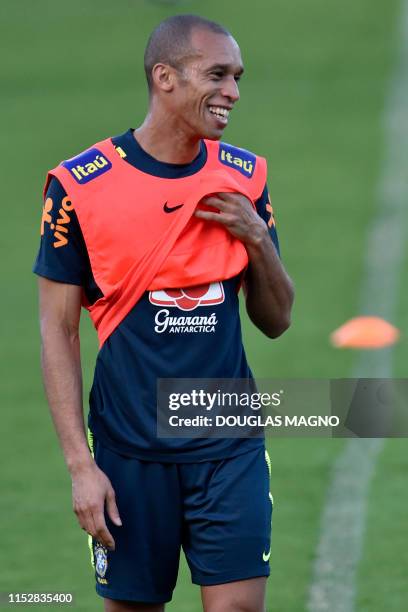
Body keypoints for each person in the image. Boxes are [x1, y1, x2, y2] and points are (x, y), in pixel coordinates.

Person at [34, 14, 294, 612]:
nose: (233, 91)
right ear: (165, 77)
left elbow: (276, 320)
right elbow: (58, 329)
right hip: (128, 454)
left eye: (238, 77)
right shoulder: (79, 186)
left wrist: (258, 239)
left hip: (229, 446)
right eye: (218, 75)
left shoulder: (244, 177)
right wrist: (81, 466)